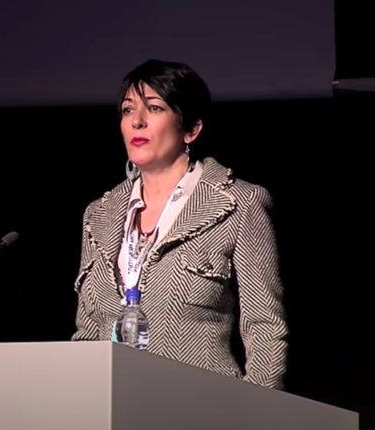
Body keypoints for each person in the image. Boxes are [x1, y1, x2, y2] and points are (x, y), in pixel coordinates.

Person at [71, 59, 288, 389]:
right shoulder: (98, 215)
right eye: (128, 110)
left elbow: (264, 325)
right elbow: (87, 334)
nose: (137, 122)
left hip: (203, 407)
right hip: (113, 405)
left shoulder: (238, 204)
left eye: (155, 108)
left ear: (191, 128)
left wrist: (256, 413)